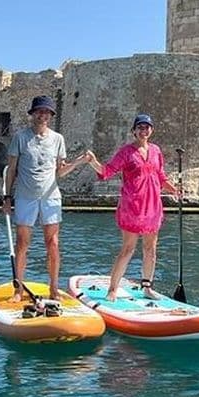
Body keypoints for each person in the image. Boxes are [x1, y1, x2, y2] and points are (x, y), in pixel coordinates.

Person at [1, 95, 89, 302]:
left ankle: (54, 288)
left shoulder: (58, 139)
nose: (43, 115)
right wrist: (7, 197)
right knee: (22, 244)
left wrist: (78, 162)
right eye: (40, 111)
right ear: (33, 114)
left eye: (47, 112)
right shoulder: (20, 137)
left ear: (50, 115)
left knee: (53, 243)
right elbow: (11, 170)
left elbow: (60, 171)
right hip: (25, 197)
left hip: (51, 198)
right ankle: (18, 290)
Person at [84, 113, 179, 301]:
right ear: (134, 131)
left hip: (152, 206)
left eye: (147, 127)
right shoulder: (126, 152)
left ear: (151, 130)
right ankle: (112, 289)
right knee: (128, 248)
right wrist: (92, 162)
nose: (144, 131)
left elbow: (160, 176)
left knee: (151, 249)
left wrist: (175, 190)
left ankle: (147, 288)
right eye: (140, 127)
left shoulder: (156, 151)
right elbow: (107, 171)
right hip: (132, 206)